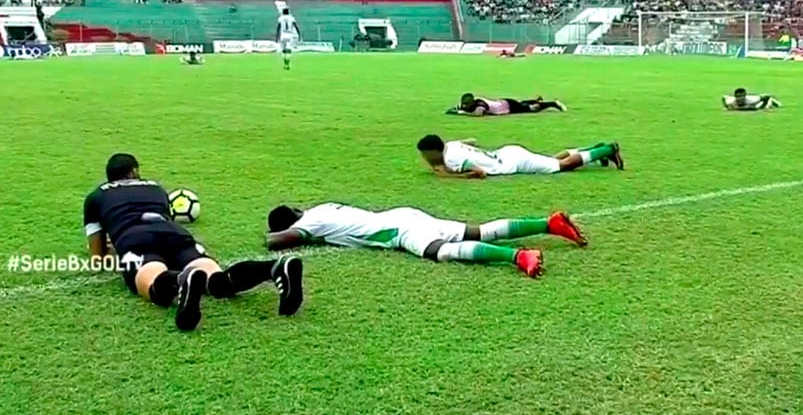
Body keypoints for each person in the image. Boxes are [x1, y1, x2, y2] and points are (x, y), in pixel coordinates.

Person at [83, 153, 304, 331]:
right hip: (175, 234)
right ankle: (274, 268)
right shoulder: (156, 188)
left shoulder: (96, 196)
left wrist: (108, 251)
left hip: (136, 238)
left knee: (151, 281)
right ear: (134, 172)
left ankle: (182, 281)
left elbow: (97, 257)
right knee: (218, 281)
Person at [265, 203, 588, 278]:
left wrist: (269, 237)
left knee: (441, 252)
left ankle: (517, 257)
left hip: (398, 231)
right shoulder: (320, 208)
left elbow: (278, 241)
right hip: (404, 214)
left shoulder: (309, 223)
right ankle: (548, 223)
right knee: (478, 230)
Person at [417, 135, 623, 179]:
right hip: (506, 152)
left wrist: (448, 175)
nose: (425, 159)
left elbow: (479, 173)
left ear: (434, 151)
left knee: (561, 166)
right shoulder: (451, 146)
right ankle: (594, 149)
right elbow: (471, 141)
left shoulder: (451, 160)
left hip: (512, 162)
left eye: (426, 156)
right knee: (551, 159)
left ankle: (607, 150)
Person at [445, 93, 566, 116]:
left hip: (508, 107)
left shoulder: (480, 105)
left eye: (467, 104)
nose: (465, 106)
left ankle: (553, 104)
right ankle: (536, 100)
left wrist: (462, 113)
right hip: (504, 102)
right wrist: (455, 111)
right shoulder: (467, 105)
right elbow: (456, 108)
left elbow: (478, 114)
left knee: (531, 109)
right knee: (523, 104)